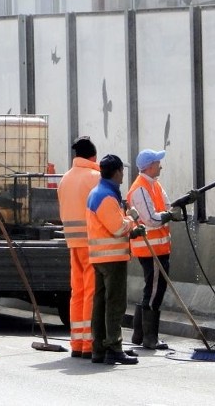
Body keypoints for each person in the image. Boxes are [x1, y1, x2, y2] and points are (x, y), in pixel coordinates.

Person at [87, 154, 145, 365]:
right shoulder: (106, 196)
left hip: (100, 258)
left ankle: (99, 349)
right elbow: (118, 227)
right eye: (122, 171)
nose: (123, 175)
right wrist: (133, 220)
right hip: (112, 258)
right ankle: (114, 346)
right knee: (115, 304)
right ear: (117, 171)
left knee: (101, 303)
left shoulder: (98, 193)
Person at [126, 148, 184, 350]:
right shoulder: (140, 189)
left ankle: (139, 334)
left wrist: (177, 207)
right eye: (158, 162)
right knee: (154, 292)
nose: (161, 165)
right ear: (149, 166)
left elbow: (167, 207)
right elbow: (151, 219)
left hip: (159, 248)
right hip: (151, 250)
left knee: (152, 289)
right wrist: (168, 216)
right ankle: (150, 338)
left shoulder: (154, 185)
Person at [57, 136, 101, 359]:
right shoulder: (95, 177)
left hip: (72, 242)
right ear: (93, 156)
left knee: (78, 292)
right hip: (92, 242)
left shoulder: (65, 178)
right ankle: (89, 342)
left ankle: (77, 341)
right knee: (92, 292)